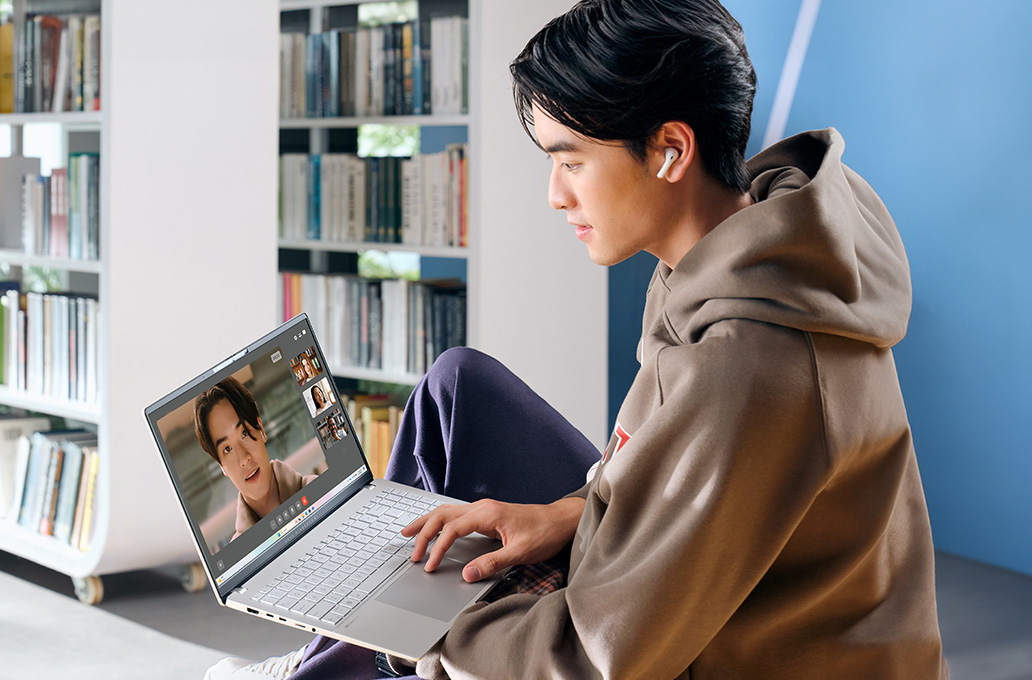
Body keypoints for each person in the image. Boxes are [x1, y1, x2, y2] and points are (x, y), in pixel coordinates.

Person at [213, 0, 948, 678]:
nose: (555, 194)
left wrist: (427, 634)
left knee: (425, 628)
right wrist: (564, 513)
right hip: (685, 595)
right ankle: (343, 652)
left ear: (669, 150)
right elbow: (669, 468)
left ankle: (357, 657)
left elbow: (597, 663)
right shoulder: (747, 241)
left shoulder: (748, 364)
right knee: (456, 383)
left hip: (715, 660)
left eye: (571, 162)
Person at [193, 376, 317, 539]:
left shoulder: (317, 491)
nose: (244, 459)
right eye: (227, 449)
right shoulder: (238, 550)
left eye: (244, 433)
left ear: (262, 431)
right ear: (222, 466)